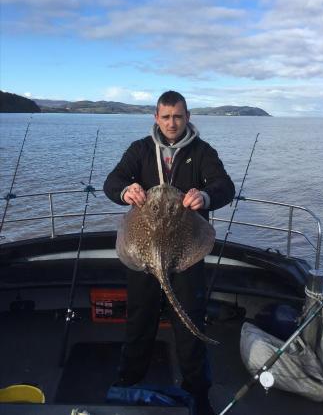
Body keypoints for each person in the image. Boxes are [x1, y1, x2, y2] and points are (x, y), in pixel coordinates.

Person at [103, 90, 235, 415]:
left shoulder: (202, 152)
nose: (172, 123)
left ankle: (197, 393)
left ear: (187, 116)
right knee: (139, 321)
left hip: (186, 253)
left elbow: (224, 186)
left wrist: (205, 197)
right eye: (166, 116)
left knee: (190, 322)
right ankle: (129, 381)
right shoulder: (141, 150)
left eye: (178, 116)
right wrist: (125, 190)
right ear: (156, 118)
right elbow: (112, 181)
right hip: (145, 255)